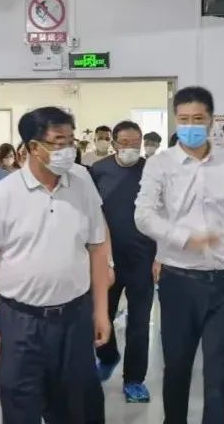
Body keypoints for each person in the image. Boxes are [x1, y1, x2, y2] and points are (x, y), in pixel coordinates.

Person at [134, 86, 224, 424]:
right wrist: (183, 238)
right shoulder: (160, 164)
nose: (190, 125)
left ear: (211, 121)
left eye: (198, 118)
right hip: (180, 281)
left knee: (220, 372)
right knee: (177, 366)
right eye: (183, 119)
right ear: (175, 120)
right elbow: (143, 216)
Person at [0, 107, 111, 424]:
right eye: (59, 142)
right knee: (21, 404)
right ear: (33, 147)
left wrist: (101, 311)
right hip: (20, 321)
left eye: (71, 141)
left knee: (78, 405)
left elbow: (98, 247)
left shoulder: (82, 183)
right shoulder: (3, 194)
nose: (68, 150)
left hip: (74, 317)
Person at [90, 121, 156, 403]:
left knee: (139, 323)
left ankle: (134, 380)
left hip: (143, 258)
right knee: (100, 315)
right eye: (125, 143)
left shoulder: (152, 171)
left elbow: (163, 213)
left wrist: (160, 257)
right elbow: (91, 213)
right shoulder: (99, 170)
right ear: (115, 143)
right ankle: (108, 355)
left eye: (136, 143)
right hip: (107, 259)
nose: (131, 148)